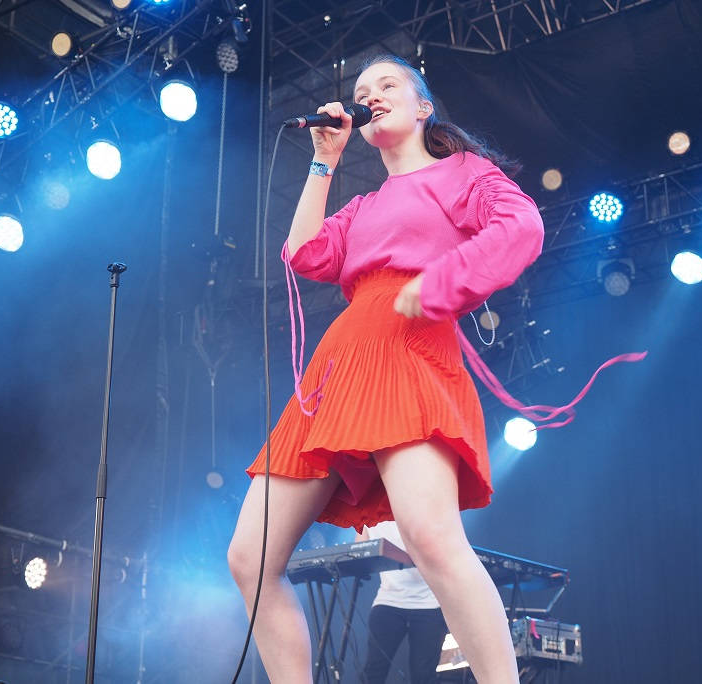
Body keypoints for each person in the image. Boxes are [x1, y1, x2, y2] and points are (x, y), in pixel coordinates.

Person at [228, 53, 544, 684]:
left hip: (409, 348)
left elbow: (522, 225)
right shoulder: (365, 204)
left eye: (387, 84)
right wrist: (324, 160)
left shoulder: (462, 173)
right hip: (339, 365)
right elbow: (304, 253)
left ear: (424, 106)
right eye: (362, 89)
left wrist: (443, 281)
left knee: (430, 538)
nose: (370, 94)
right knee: (249, 558)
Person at [357, 521, 449, 684]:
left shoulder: (418, 509)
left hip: (429, 603)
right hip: (388, 600)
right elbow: (358, 551)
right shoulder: (369, 517)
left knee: (423, 675)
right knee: (373, 672)